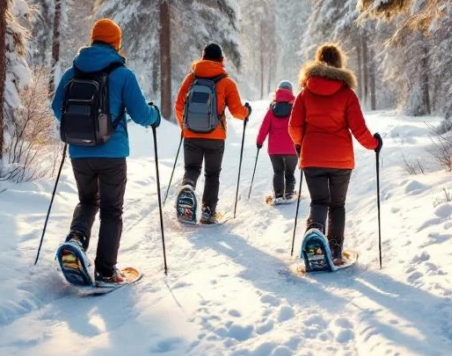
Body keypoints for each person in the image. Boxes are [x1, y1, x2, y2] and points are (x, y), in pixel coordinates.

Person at [51, 18, 160, 284]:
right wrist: (155, 115)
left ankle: (75, 240)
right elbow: (140, 114)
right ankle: (106, 271)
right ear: (116, 43)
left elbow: (56, 107)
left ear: (93, 39)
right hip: (112, 153)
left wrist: (80, 127)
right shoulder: (123, 74)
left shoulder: (72, 72)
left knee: (88, 201)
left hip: (79, 152)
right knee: (111, 210)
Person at [288, 43, 381, 266]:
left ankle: (314, 241)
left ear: (317, 62)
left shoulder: (305, 93)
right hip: (340, 160)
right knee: (337, 205)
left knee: (319, 201)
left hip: (312, 158)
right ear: (339, 63)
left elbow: (294, 127)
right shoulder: (347, 94)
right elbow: (359, 129)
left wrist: (301, 144)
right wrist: (374, 144)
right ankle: (335, 251)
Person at [175, 43, 251, 223]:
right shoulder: (226, 82)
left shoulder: (191, 79)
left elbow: (178, 105)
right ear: (221, 60)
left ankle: (187, 188)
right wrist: (247, 112)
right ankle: (208, 212)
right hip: (215, 137)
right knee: (212, 174)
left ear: (202, 57)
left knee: (191, 169)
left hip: (191, 134)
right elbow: (237, 111)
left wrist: (185, 127)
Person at [256, 80, 298, 202]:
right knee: (290, 172)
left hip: (275, 149)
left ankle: (279, 195)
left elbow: (264, 127)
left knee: (278, 171)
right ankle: (289, 194)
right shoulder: (295, 109)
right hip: (292, 148)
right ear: (291, 92)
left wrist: (259, 141)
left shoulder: (271, 109)